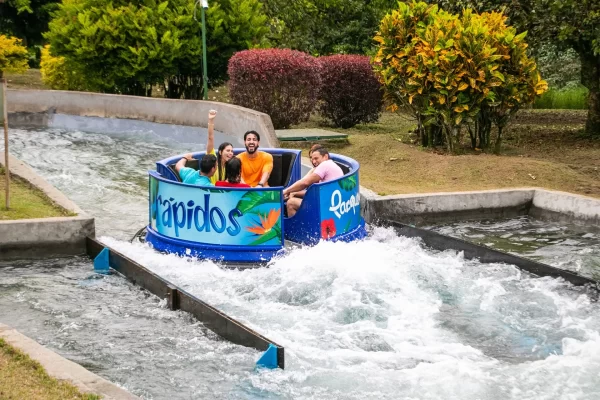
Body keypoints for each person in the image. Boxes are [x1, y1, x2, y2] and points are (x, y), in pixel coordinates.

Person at [283, 147, 343, 217]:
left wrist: (286, 191)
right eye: (312, 159)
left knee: (291, 203)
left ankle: (297, 227)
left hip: (326, 206)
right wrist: (295, 193)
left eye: (316, 158)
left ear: (325, 156)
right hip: (331, 203)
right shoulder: (331, 165)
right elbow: (314, 192)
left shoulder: (325, 165)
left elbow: (305, 183)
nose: (313, 162)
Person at [205, 110, 234, 184]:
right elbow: (210, 138)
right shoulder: (213, 160)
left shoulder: (230, 166)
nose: (230, 153)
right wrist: (211, 120)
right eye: (228, 150)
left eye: (231, 151)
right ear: (220, 152)